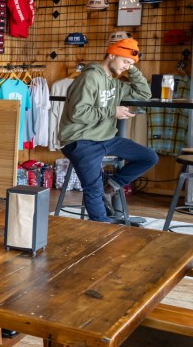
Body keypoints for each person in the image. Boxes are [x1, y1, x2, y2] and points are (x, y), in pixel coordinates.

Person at [58, 37, 155, 223]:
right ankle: (102, 229)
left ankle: (110, 186)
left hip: (105, 138)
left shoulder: (114, 83)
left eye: (131, 64)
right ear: (111, 55)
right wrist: (113, 111)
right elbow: (78, 113)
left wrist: (132, 66)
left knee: (149, 157)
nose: (127, 66)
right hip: (80, 140)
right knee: (92, 190)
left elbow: (144, 93)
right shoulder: (90, 77)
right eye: (125, 61)